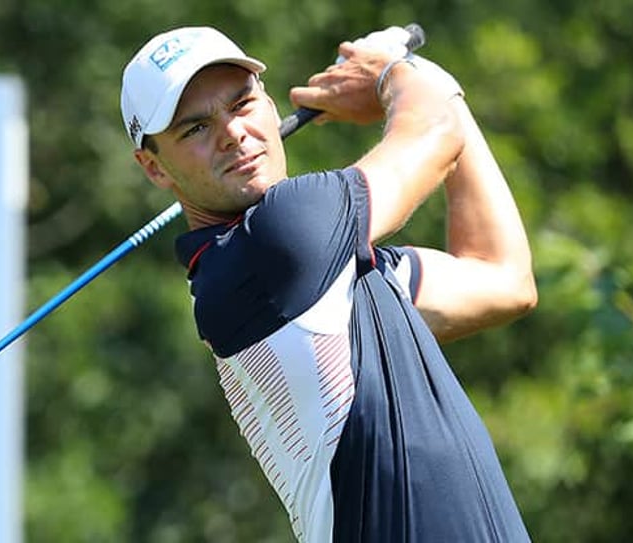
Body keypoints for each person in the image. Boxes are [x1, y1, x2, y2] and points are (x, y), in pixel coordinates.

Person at [120, 26, 536, 541]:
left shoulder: (325, 278)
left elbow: (503, 278)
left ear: (272, 109)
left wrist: (423, 84)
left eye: (242, 103)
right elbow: (434, 125)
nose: (232, 132)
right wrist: (390, 73)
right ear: (154, 168)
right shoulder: (277, 244)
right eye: (195, 129)